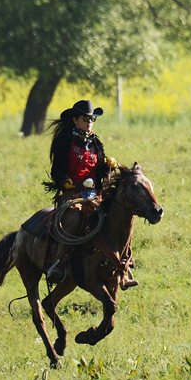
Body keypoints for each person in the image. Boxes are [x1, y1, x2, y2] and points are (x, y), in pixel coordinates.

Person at [43, 101, 136, 288]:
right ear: (75, 120)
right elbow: (56, 171)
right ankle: (59, 264)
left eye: (92, 118)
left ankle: (123, 267)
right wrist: (64, 182)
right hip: (72, 195)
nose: (90, 122)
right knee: (74, 220)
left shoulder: (95, 143)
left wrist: (107, 166)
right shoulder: (64, 142)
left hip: (95, 194)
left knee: (119, 219)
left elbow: (99, 171)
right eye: (86, 118)